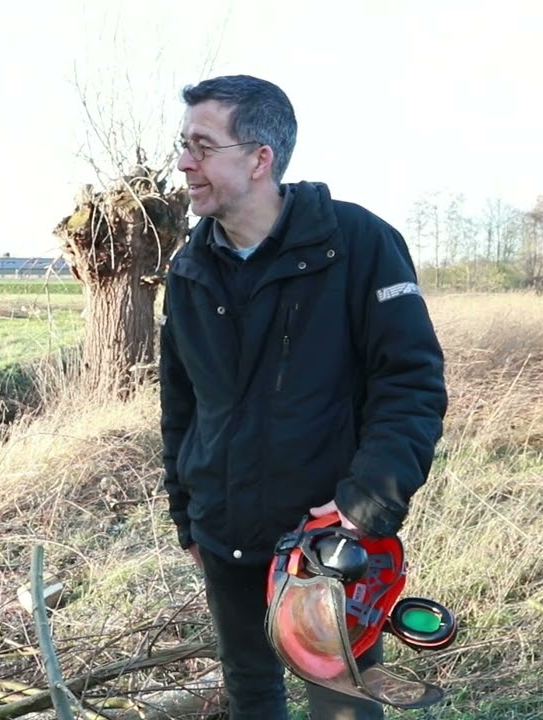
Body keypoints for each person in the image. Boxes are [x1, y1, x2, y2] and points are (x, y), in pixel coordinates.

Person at [158, 75, 448, 720]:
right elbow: (181, 407)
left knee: (341, 697)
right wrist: (188, 515)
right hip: (225, 535)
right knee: (250, 691)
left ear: (259, 158)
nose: (184, 162)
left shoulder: (359, 245)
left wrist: (365, 502)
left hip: (326, 539)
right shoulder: (189, 266)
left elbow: (412, 384)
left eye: (202, 146)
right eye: (183, 145)